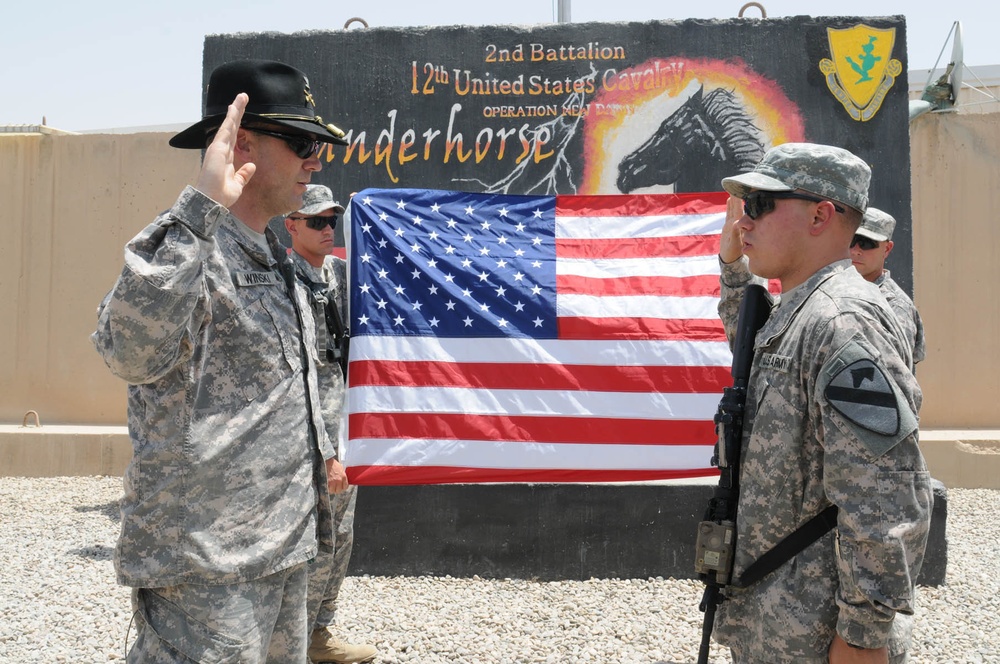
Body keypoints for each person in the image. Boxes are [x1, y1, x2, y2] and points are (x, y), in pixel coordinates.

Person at [91, 59, 351, 663]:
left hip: (283, 547)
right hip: (208, 565)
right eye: (303, 142)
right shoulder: (191, 246)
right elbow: (126, 351)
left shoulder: (274, 258)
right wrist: (198, 210)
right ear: (240, 144)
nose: (316, 159)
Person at [713, 143, 932, 664]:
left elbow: (887, 497)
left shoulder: (841, 322)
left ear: (820, 215)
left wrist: (862, 637)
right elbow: (749, 345)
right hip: (779, 614)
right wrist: (731, 264)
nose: (745, 222)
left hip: (816, 634)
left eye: (761, 206)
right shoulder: (804, 308)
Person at [284, 185, 378, 663]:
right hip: (311, 437)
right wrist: (328, 453)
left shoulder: (342, 276)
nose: (327, 230)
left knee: (341, 540)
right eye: (315, 221)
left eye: (332, 221)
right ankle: (294, 642)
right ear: (291, 225)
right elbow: (303, 377)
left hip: (344, 427)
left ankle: (317, 634)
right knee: (316, 541)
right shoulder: (284, 283)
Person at [851, 207, 927, 367]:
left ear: (886, 249)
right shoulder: (836, 290)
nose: (856, 250)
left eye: (867, 243)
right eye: (852, 240)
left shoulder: (895, 306)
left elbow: (895, 373)